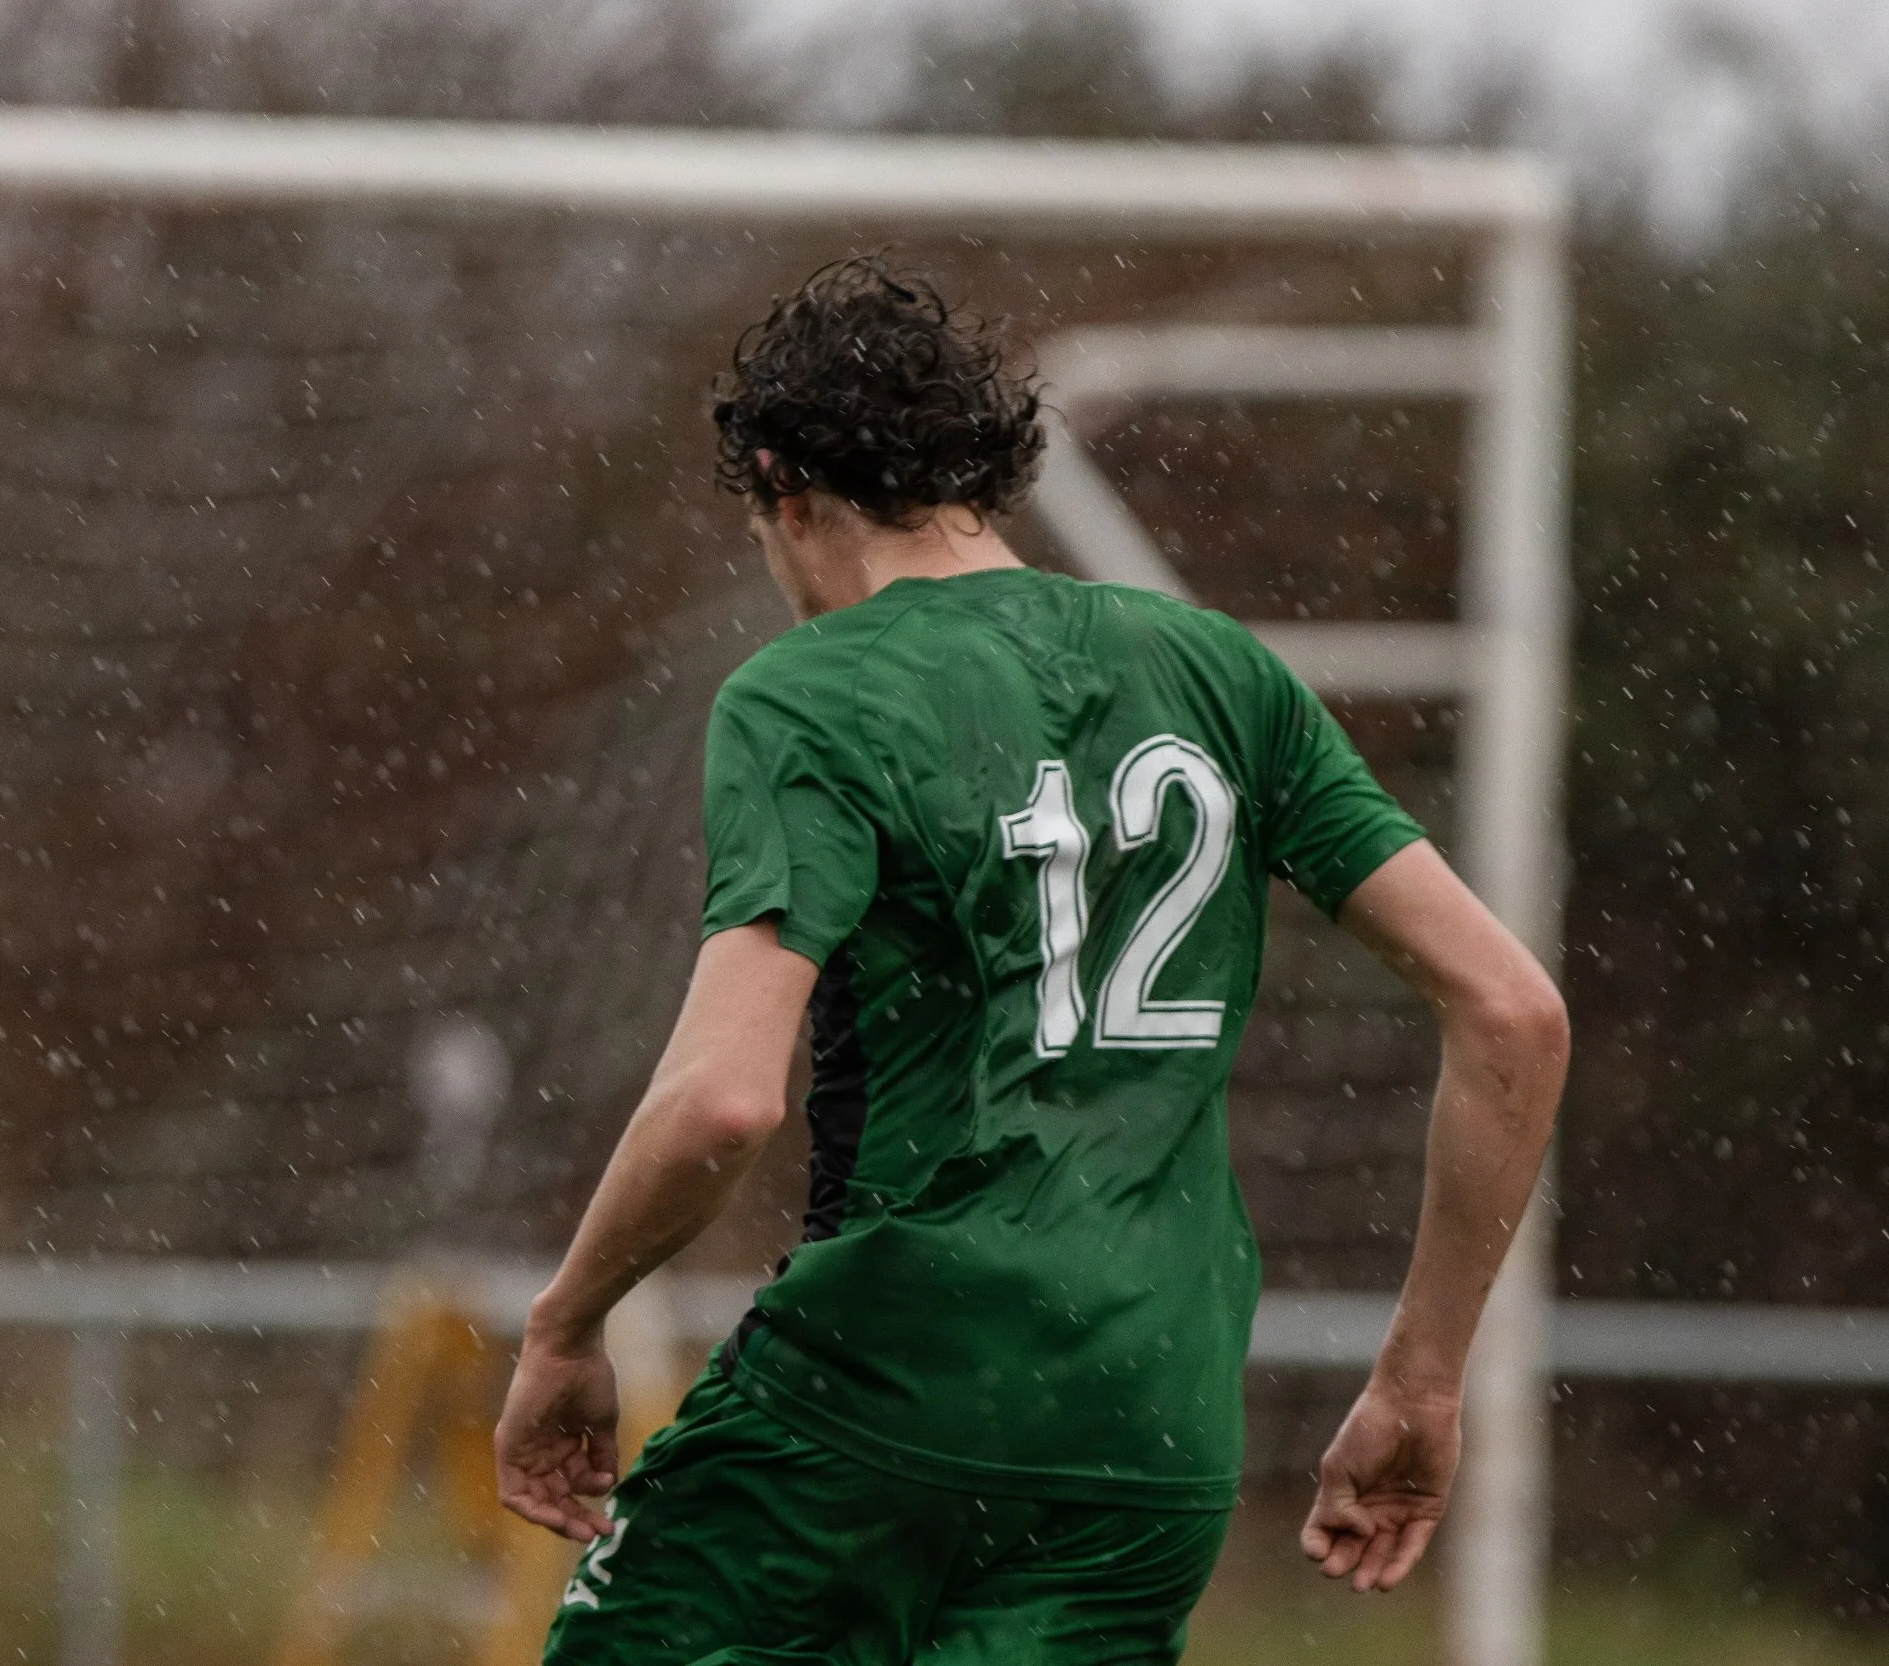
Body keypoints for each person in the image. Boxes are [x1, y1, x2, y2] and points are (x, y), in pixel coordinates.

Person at [493, 259, 1569, 1664]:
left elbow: (722, 1103)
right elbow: (1514, 1011)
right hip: (1151, 1430)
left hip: (886, 1387)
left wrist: (565, 1325)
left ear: (783, 490)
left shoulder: (810, 692)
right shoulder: (1220, 672)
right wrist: (1420, 1382)